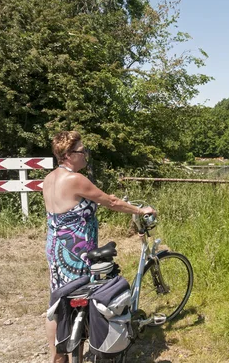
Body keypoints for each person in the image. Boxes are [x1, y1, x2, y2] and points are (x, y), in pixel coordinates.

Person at [43, 131, 155, 363]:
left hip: (55, 249)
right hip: (77, 253)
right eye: (82, 151)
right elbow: (111, 202)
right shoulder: (75, 179)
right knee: (81, 304)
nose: (86, 155)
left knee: (58, 305)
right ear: (67, 154)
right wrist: (139, 210)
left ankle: (57, 357)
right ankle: (79, 353)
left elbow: (79, 204)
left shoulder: (50, 178)